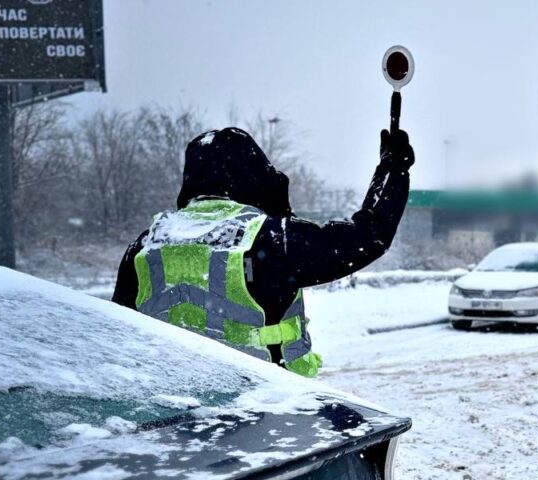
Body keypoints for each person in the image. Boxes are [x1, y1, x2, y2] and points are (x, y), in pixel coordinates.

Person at [112, 124, 414, 376]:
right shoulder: (272, 238)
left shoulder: (145, 245)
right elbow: (368, 236)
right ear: (252, 176)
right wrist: (392, 168)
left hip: (172, 413)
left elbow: (117, 334)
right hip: (267, 411)